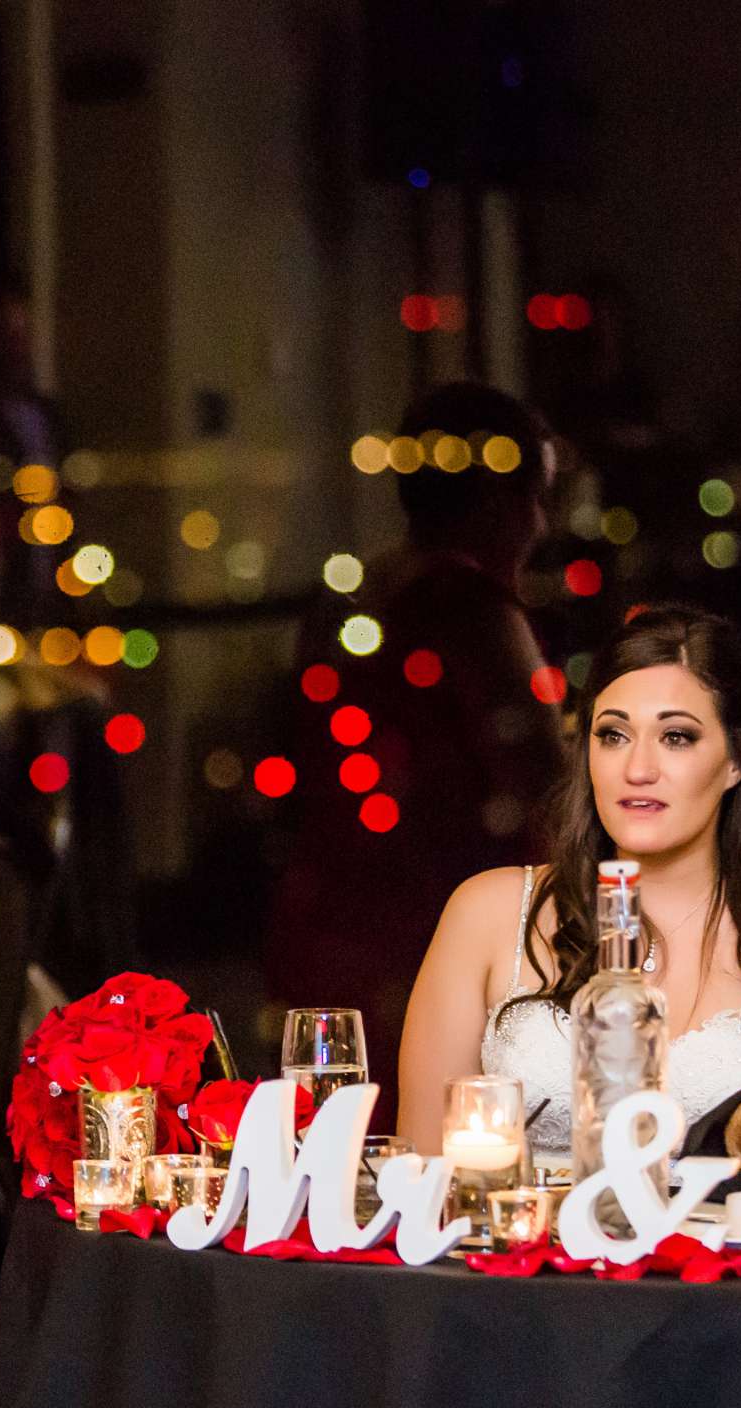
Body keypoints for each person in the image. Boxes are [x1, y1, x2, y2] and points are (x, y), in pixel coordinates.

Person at [397, 604, 741, 1158]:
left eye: (677, 738)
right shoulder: (488, 913)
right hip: (523, 1243)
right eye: (612, 735)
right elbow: (420, 1172)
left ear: (735, 761)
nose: (638, 768)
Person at [266, 382, 569, 1104]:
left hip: (332, 920)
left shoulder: (356, 595)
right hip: (438, 932)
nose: (541, 526)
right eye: (535, 498)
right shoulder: (469, 609)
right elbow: (546, 783)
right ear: (500, 503)